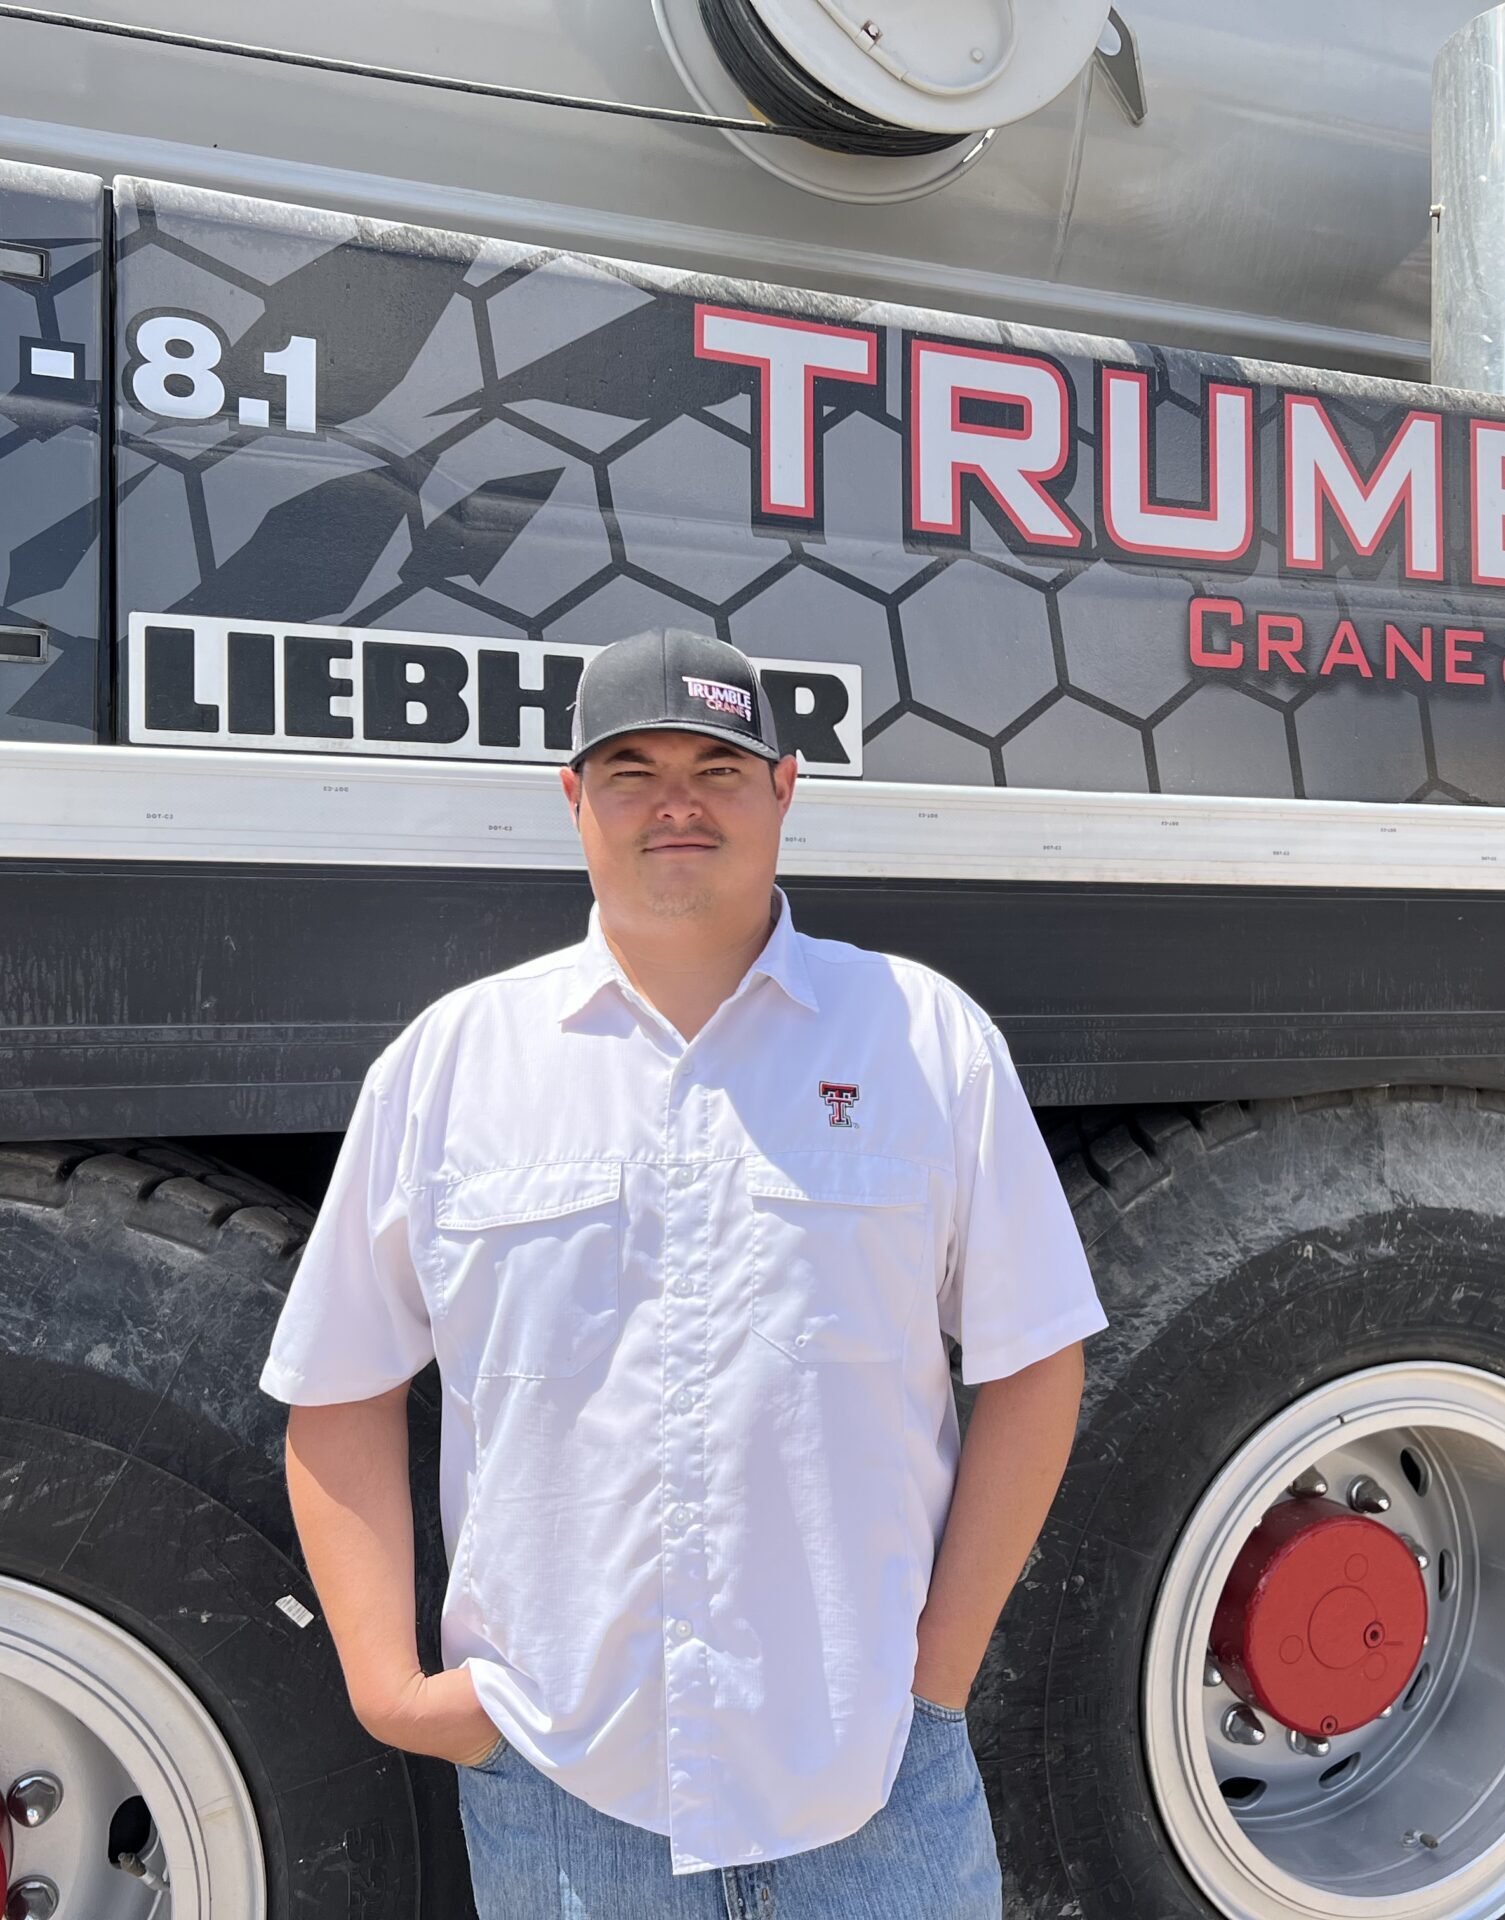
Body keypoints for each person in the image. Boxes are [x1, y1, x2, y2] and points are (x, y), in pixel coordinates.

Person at [257, 628, 1107, 1918]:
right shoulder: (451, 1067)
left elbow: (1037, 1359)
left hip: (870, 1778)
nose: (676, 802)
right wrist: (389, 1691)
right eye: (631, 768)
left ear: (784, 787)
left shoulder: (925, 1040)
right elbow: (337, 1385)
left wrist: (936, 1680)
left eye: (717, 764)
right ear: (574, 799)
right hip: (561, 1789)